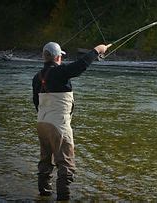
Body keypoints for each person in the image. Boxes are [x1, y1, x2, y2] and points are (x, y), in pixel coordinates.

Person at [32, 42, 109, 201]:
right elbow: (80, 65)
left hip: (41, 123)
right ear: (58, 57)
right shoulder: (60, 72)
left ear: (43, 57)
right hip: (58, 125)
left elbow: (36, 102)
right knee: (66, 165)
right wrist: (98, 50)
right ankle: (63, 198)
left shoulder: (36, 77)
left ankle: (44, 194)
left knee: (45, 161)